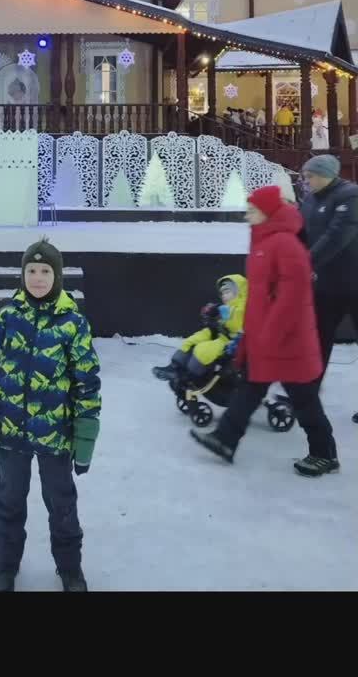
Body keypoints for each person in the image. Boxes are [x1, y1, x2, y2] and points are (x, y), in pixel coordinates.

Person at [0, 238, 101, 592]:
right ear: (23, 274)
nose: (38, 278)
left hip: (55, 435)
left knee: (62, 504)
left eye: (45, 271)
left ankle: (70, 569)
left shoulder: (72, 323)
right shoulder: (7, 317)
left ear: (57, 276)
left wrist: (85, 438)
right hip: (10, 432)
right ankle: (6, 566)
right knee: (9, 500)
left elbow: (87, 382)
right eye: (32, 270)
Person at [190, 185, 339, 477]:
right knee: (250, 388)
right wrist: (252, 336)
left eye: (252, 210)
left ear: (268, 211)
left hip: (288, 341)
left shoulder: (285, 244)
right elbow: (260, 298)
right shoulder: (264, 241)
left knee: (304, 399)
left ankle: (325, 454)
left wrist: (269, 336)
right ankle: (224, 439)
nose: (247, 215)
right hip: (265, 338)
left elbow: (291, 299)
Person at [300, 155, 358, 380]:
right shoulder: (310, 199)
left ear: (326, 175)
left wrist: (306, 261)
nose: (306, 181)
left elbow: (337, 235)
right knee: (317, 339)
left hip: (353, 282)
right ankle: (307, 392)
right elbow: (300, 232)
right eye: (305, 176)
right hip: (326, 284)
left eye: (310, 176)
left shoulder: (350, 196)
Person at [152, 275, 247, 381]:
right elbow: (223, 318)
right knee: (193, 339)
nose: (224, 296)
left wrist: (219, 311)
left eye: (227, 292)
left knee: (203, 349)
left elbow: (237, 318)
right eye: (222, 293)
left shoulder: (245, 308)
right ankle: (174, 367)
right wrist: (212, 316)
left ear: (239, 292)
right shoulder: (227, 307)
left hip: (233, 342)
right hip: (221, 335)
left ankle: (190, 375)